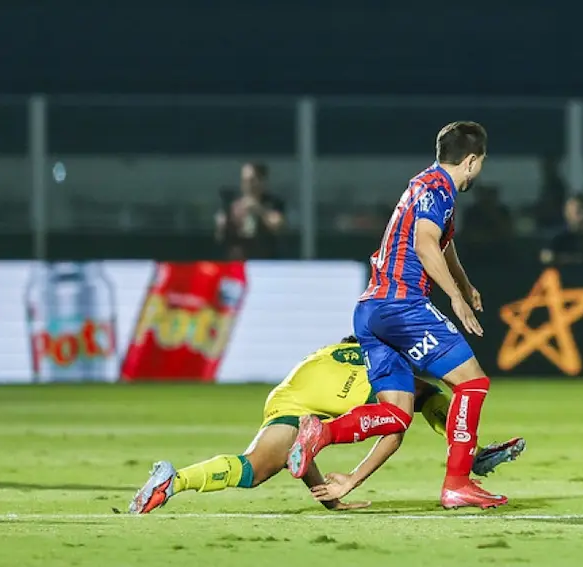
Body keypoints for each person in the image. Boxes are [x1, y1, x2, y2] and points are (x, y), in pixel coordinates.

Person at [287, 121, 510, 510]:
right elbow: (425, 244)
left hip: (371, 310)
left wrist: (464, 283)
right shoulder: (439, 191)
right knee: (472, 382)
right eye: (482, 163)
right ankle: (457, 483)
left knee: (395, 414)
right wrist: (454, 297)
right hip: (402, 305)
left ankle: (321, 433)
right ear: (472, 161)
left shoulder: (424, 185)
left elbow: (442, 244)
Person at [127, 336, 526, 515]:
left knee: (252, 470)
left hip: (287, 399)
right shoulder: (381, 358)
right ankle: (469, 454)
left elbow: (300, 447)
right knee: (414, 403)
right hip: (320, 397)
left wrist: (328, 498)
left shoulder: (332, 352)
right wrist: (350, 481)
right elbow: (393, 435)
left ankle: (173, 480)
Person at [215, 162, 286, 259]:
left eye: (252, 180)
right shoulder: (234, 205)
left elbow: (278, 225)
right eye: (244, 181)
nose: (247, 185)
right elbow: (220, 237)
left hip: (265, 260)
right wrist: (223, 224)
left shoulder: (273, 203)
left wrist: (258, 209)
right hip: (240, 261)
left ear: (262, 181)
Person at [539, 194, 583, 266]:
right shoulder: (558, 239)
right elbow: (546, 257)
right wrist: (568, 259)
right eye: (577, 212)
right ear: (567, 213)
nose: (582, 216)